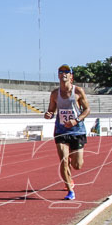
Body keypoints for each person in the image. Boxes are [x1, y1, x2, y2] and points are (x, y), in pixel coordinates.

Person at [43, 65, 90, 200]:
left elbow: (87, 110)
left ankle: (72, 159)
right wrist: (49, 114)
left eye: (66, 72)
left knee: (77, 165)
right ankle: (70, 190)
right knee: (63, 161)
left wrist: (76, 120)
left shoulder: (78, 91)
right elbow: (51, 110)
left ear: (71, 76)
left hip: (77, 131)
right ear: (58, 76)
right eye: (61, 72)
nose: (63, 74)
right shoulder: (54, 94)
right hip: (61, 131)